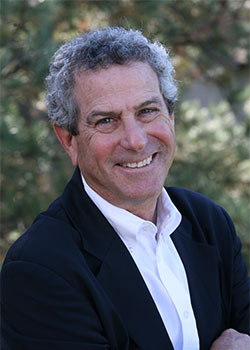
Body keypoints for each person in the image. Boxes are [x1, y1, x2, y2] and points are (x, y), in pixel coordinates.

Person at [1, 26, 249, 350]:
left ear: (171, 117)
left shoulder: (208, 222)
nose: (135, 140)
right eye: (106, 120)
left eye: (147, 111)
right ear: (68, 141)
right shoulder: (40, 269)